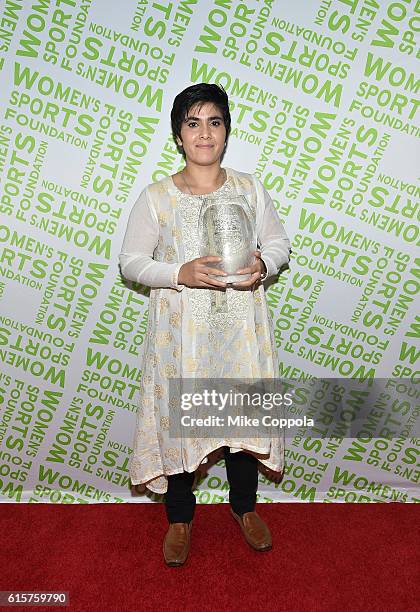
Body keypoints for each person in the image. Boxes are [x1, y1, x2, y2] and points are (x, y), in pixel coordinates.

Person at [118, 83, 291, 566]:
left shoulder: (250, 188)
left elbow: (279, 243)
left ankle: (245, 509)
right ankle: (179, 518)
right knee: (181, 422)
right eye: (193, 123)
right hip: (183, 335)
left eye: (214, 122)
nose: (204, 133)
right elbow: (130, 261)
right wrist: (179, 273)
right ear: (178, 134)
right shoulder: (157, 197)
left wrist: (265, 263)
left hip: (241, 328)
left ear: (226, 131)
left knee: (240, 416)